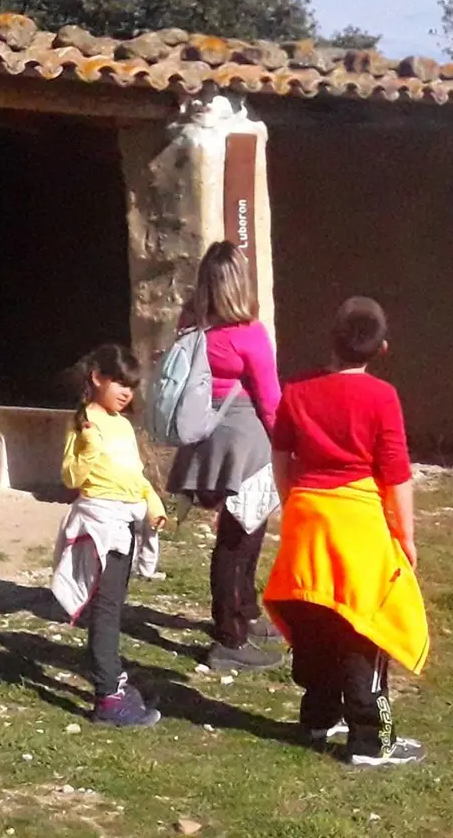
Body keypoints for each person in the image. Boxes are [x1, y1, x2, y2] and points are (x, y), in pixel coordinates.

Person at [263, 297, 430, 767]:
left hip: (307, 514)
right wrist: (406, 535)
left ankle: (318, 714)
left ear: (332, 340)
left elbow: (281, 455)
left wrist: (292, 499)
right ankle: (372, 739)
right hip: (356, 521)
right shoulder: (382, 398)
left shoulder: (296, 388)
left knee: (315, 614)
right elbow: (396, 474)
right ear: (382, 350)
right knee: (365, 626)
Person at [166, 241, 284, 672]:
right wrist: (289, 445)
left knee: (235, 537)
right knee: (240, 540)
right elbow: (270, 400)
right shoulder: (248, 333)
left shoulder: (189, 326)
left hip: (206, 441)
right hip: (247, 446)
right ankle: (230, 637)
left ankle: (245, 612)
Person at [52, 344, 167, 727]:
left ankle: (113, 681)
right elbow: (71, 477)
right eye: (119, 382)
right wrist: (87, 446)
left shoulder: (122, 425)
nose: (125, 392)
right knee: (103, 612)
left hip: (125, 523)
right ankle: (107, 698)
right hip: (99, 524)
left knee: (114, 609)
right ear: (97, 377)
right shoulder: (83, 421)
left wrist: (153, 505)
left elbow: (133, 475)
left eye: (131, 387)